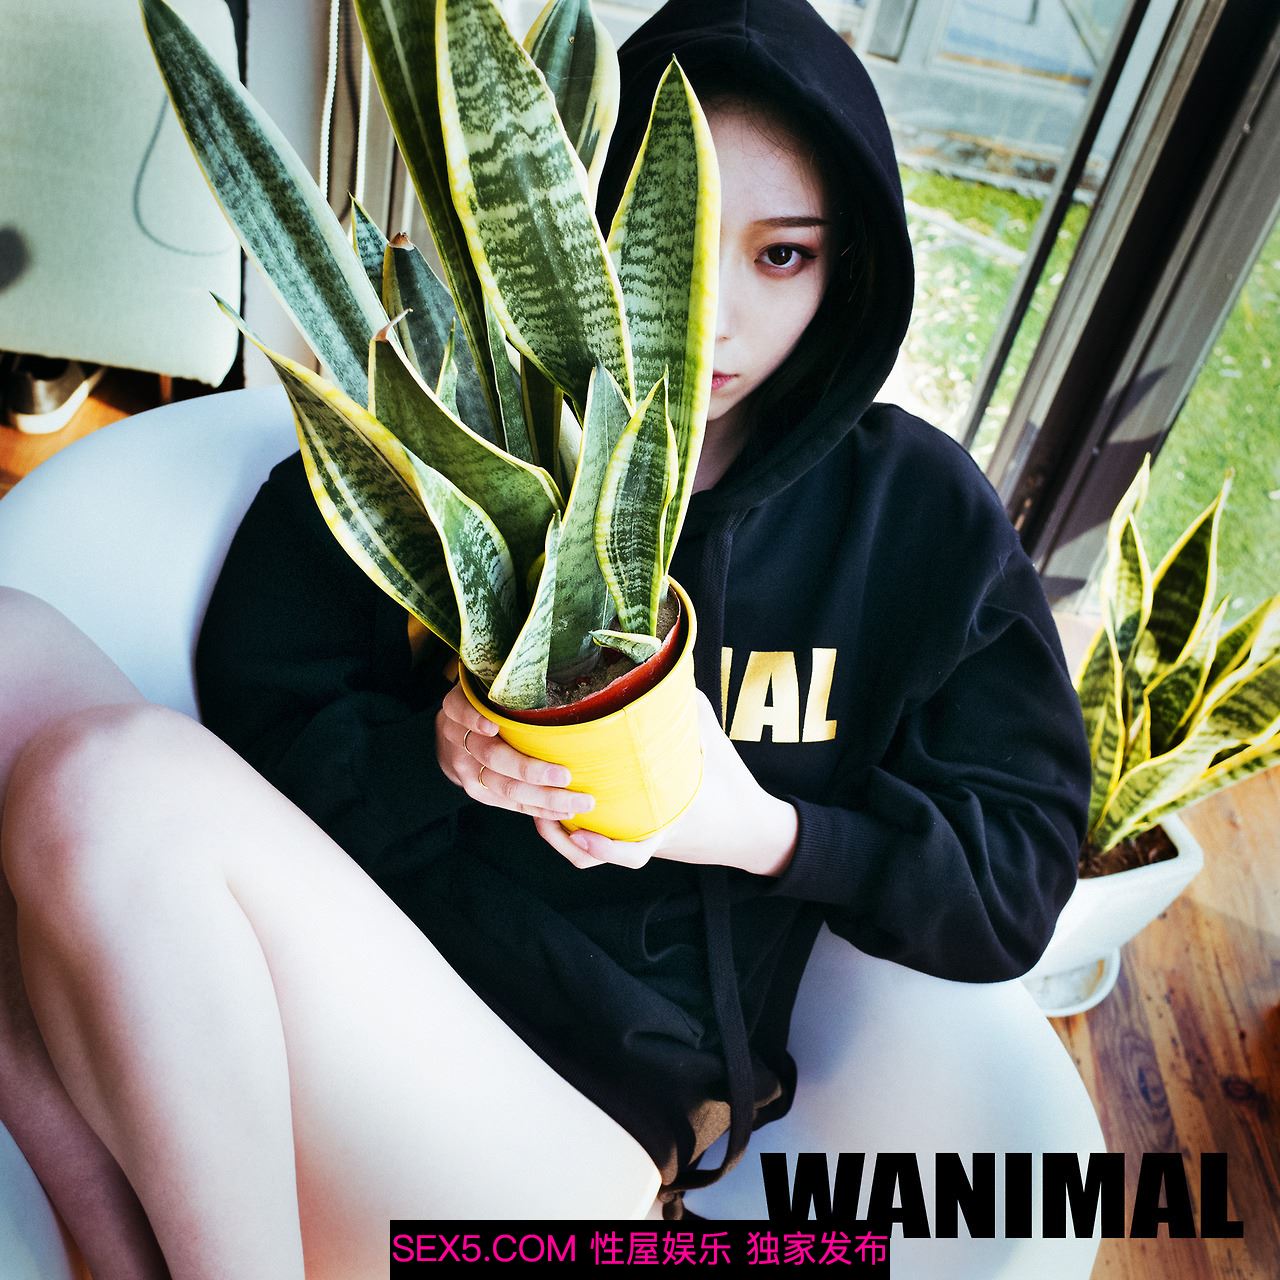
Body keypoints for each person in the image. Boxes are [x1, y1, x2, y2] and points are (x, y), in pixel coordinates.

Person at [0, 0, 1092, 1275]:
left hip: (565, 1165)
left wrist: (753, 827)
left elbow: (1014, 884)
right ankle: (117, 1247)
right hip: (297, 1026)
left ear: (843, 265)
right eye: (666, 243)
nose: (710, 316)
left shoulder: (907, 515)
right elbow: (258, 742)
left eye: (780, 255)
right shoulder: (439, 434)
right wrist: (438, 757)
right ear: (574, 226)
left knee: (108, 781)